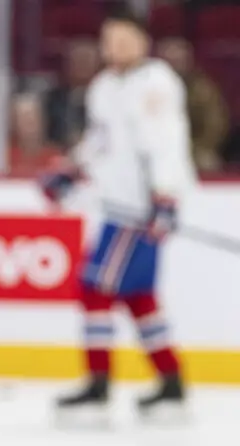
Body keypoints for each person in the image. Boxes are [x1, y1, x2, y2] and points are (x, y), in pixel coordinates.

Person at [41, 7, 195, 415]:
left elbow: (166, 142)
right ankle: (171, 380)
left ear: (143, 40)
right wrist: (72, 170)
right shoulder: (105, 85)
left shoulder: (157, 83)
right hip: (119, 209)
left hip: (140, 211)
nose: (116, 47)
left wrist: (165, 198)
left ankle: (98, 383)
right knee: (138, 295)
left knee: (95, 287)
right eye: (110, 39)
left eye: (124, 39)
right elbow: (99, 141)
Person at [156, 36, 230, 172]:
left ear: (188, 60)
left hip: (194, 147)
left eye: (178, 60)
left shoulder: (202, 88)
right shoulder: (147, 87)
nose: (174, 64)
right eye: (169, 60)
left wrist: (191, 148)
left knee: (207, 160)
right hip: (154, 149)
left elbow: (215, 125)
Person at [43, 39, 100, 151]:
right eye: (78, 61)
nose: (82, 66)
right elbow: (45, 134)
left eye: (86, 60)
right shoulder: (54, 98)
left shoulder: (107, 97)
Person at [8, 93, 62, 175]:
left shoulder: (54, 157)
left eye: (34, 116)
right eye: (24, 118)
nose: (30, 122)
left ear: (43, 121)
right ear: (15, 123)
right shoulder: (6, 157)